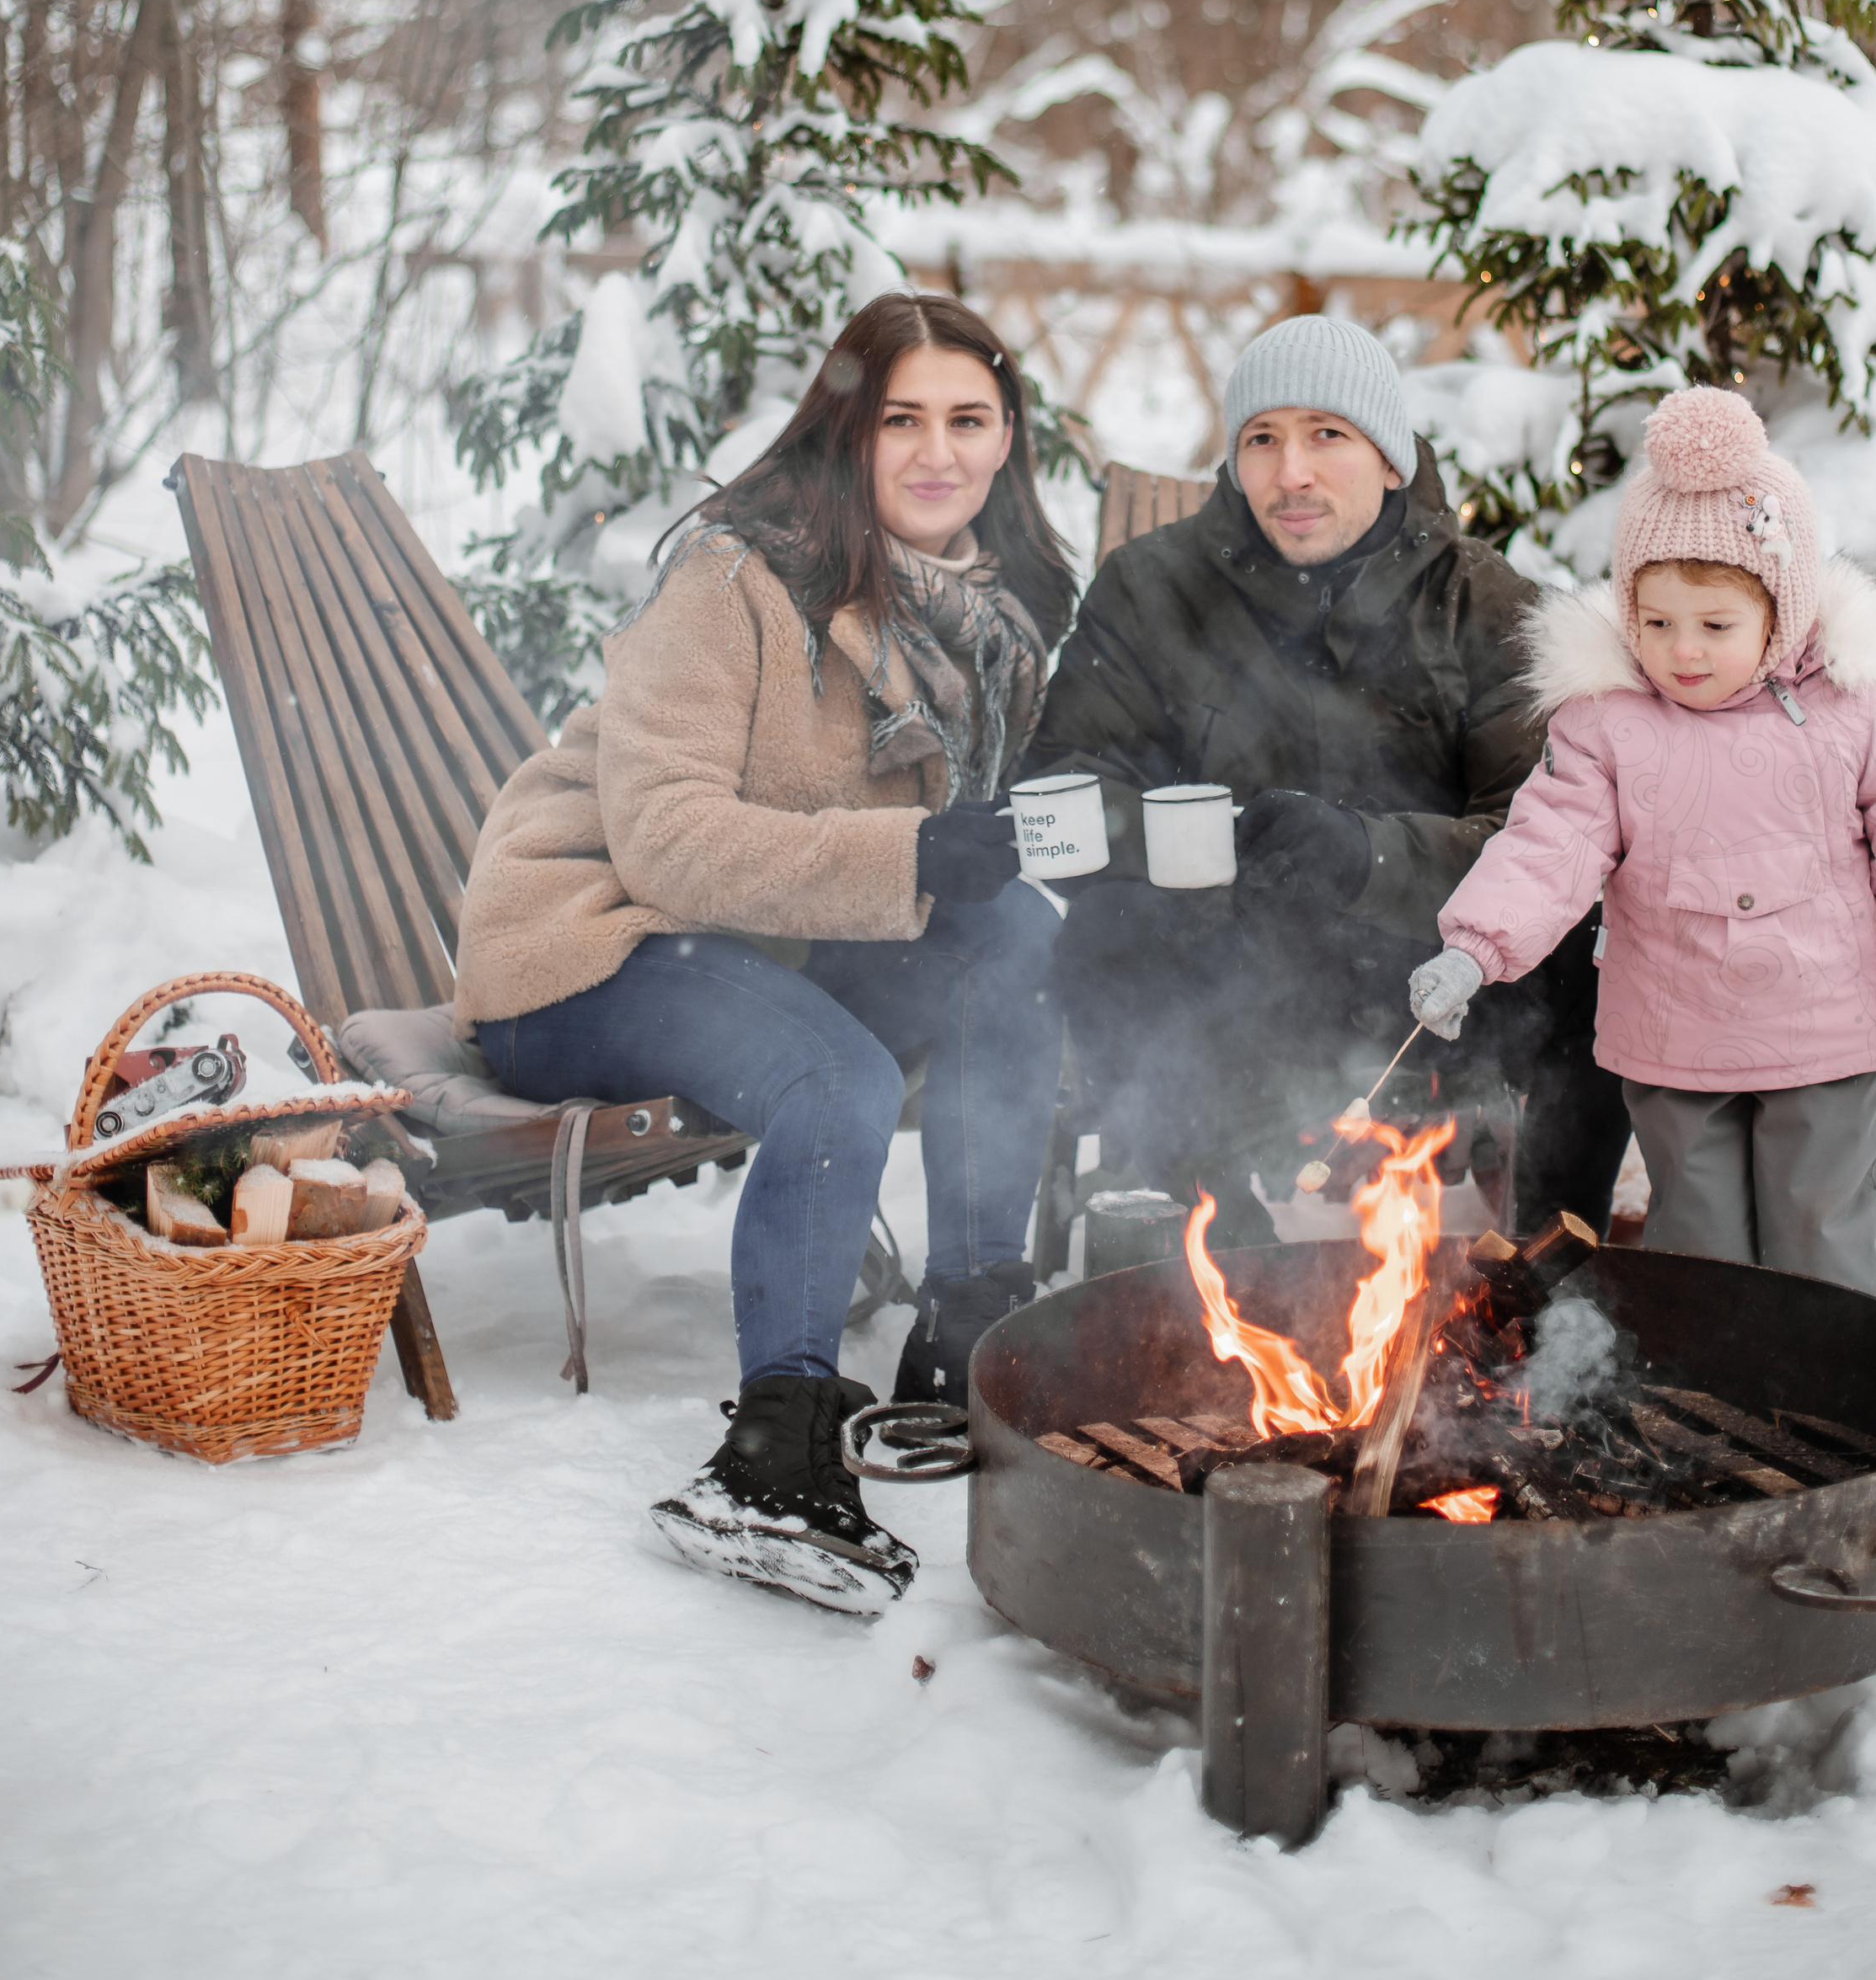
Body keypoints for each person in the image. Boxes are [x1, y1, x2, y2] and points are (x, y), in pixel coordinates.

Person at [454, 292, 1073, 1613]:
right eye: (901, 418)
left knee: (1012, 932)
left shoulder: (987, 618)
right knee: (835, 1076)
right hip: (593, 948)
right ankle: (775, 1453)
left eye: (970, 420)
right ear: (849, 434)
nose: (936, 452)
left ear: (1008, 438)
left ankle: (965, 1332)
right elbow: (668, 840)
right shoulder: (737, 577)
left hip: (765, 952)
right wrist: (907, 858)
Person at [1407, 385, 1876, 1296]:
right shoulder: (1607, 722)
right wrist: (1474, 948)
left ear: (1783, 610)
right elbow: (1548, 843)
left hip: (1827, 1033)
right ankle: (1712, 1406)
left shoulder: (1859, 712)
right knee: (1699, 1246)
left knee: (1821, 1232)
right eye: (1655, 623)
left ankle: (1846, 1403)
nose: (1682, 651)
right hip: (1675, 1040)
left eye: (1716, 625)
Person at [1032, 315, 1630, 1243]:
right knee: (1106, 934)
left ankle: (1547, 1280)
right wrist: (1200, 843)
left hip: (1431, 973)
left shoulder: (1482, 601)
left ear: (1390, 459)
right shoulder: (1151, 589)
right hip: (1230, 970)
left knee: (1597, 960)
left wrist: (1367, 856)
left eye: (1327, 435)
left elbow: (1543, 827)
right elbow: (1064, 785)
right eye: (1261, 439)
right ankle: (1218, 1244)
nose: (1291, 473)